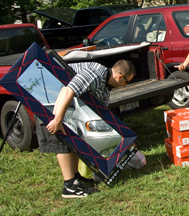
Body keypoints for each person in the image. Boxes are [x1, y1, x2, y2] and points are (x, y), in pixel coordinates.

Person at [36, 59, 136, 198]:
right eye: (127, 81)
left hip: (69, 108)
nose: (125, 85)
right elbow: (67, 90)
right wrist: (57, 119)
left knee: (74, 140)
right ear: (120, 76)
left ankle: (76, 177)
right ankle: (69, 186)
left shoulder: (105, 88)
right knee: (62, 143)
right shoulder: (96, 74)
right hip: (52, 103)